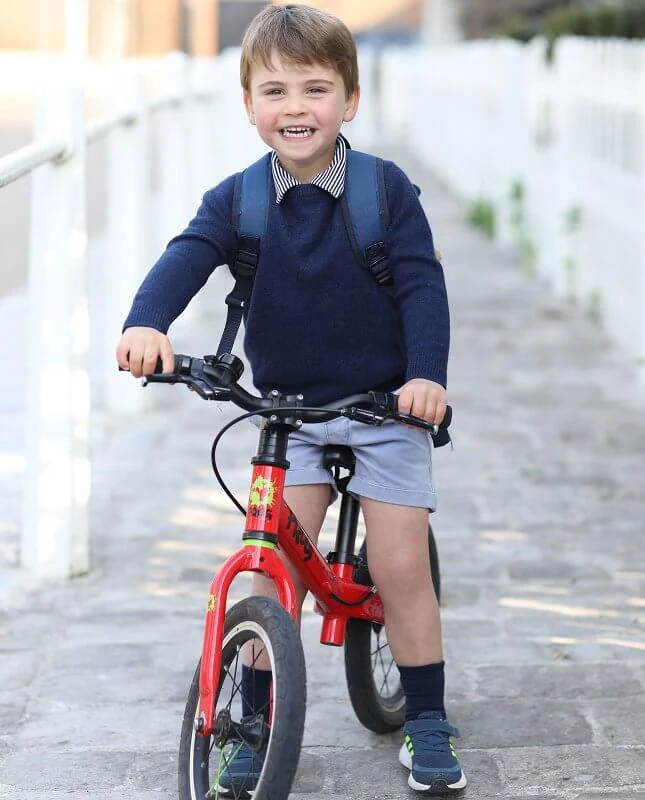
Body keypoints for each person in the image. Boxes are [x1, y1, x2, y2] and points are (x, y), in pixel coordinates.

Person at [116, 3, 466, 794]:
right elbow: (187, 257)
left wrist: (426, 377)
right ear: (248, 106)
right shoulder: (236, 200)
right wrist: (147, 323)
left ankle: (426, 717)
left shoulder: (383, 191)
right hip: (286, 412)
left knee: (399, 564)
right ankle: (253, 720)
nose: (296, 108)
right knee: (269, 574)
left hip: (384, 406)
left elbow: (420, 285)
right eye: (275, 92)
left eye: (315, 89)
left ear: (350, 98)